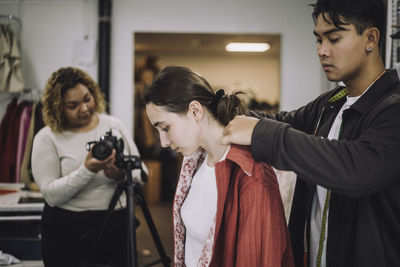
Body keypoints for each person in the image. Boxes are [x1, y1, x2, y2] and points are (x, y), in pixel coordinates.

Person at [221, 0, 400, 266]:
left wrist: (263, 133)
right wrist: (218, 111)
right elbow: (281, 121)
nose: (322, 51)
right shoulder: (331, 103)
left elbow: (356, 169)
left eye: (334, 39)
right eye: (318, 40)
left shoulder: (393, 108)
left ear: (370, 38)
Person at [144, 66, 294, 267]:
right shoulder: (196, 162)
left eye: (165, 128)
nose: (163, 142)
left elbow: (258, 258)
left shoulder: (250, 174)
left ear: (195, 111)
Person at [31, 67, 146, 267]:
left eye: (87, 98)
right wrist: (87, 171)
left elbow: (141, 172)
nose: (84, 108)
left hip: (115, 224)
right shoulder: (47, 137)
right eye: (72, 105)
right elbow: (51, 195)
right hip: (67, 229)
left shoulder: (113, 125)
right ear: (57, 107)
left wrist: (122, 175)